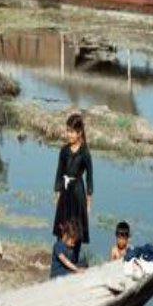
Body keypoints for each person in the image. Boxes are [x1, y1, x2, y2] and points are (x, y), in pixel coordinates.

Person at [53, 113, 94, 264]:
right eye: (67, 131)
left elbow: (89, 178)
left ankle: (74, 260)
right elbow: (59, 172)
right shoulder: (64, 151)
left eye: (71, 131)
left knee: (76, 227)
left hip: (77, 193)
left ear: (79, 133)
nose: (68, 134)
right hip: (65, 191)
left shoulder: (85, 153)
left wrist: (89, 201)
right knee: (62, 224)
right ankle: (60, 258)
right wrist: (57, 193)